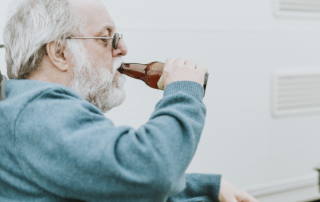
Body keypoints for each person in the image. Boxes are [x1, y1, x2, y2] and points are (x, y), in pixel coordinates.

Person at [0, 0, 258, 201]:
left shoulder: (34, 113)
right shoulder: (38, 113)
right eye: (105, 37)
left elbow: (113, 185)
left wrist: (207, 188)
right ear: (59, 53)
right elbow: (152, 172)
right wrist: (183, 91)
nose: (123, 48)